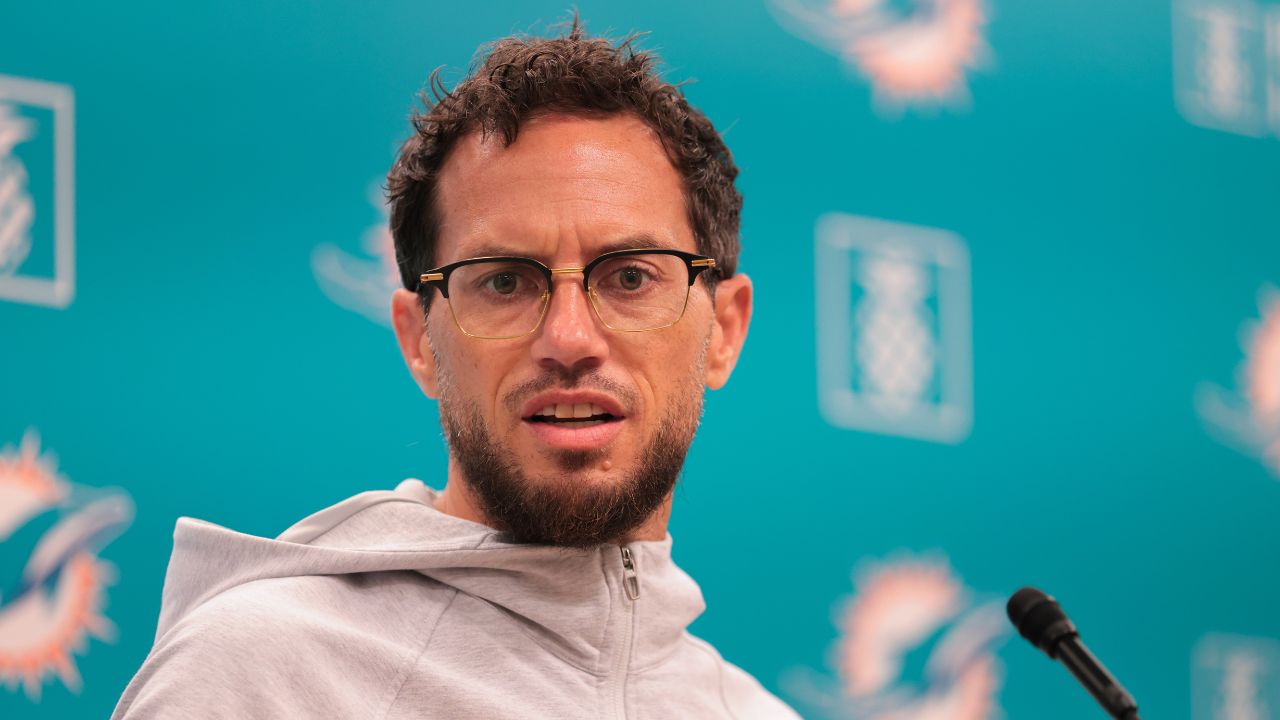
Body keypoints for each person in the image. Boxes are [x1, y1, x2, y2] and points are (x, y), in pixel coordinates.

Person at [112, 19, 799, 719]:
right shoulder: (262, 678)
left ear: (724, 329)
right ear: (419, 340)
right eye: (504, 281)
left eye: (629, 277)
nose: (569, 338)